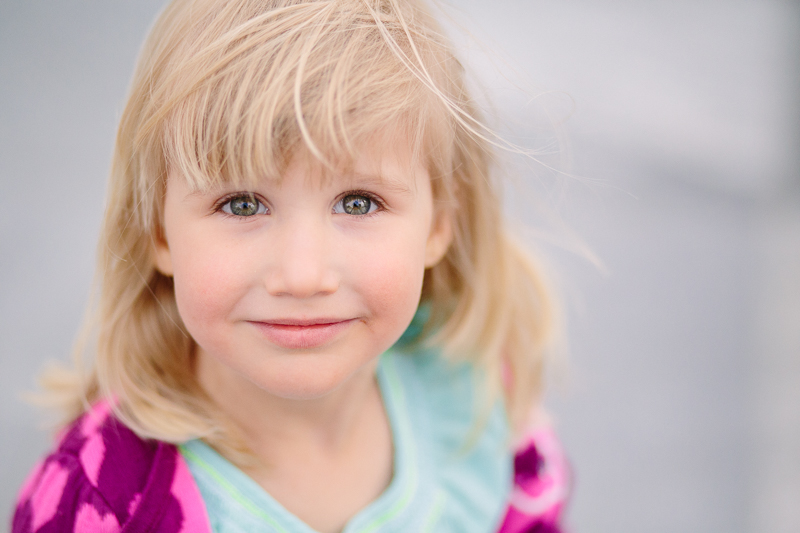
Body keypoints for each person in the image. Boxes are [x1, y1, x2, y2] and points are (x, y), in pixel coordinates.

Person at [12, 0, 570, 531]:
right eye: (242, 205)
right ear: (159, 230)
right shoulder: (106, 503)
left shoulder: (474, 402)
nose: (303, 276)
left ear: (438, 225)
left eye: (358, 203)